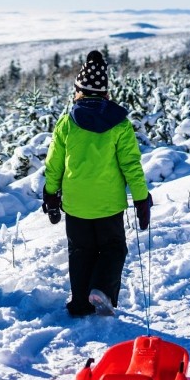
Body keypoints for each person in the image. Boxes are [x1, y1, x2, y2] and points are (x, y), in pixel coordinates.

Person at [43, 50, 153, 317]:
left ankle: (80, 304)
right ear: (105, 92)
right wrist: (141, 198)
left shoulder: (67, 122)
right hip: (108, 204)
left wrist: (50, 196)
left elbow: (54, 164)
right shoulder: (120, 124)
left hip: (76, 203)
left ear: (78, 90)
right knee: (114, 248)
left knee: (81, 252)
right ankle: (101, 289)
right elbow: (131, 165)